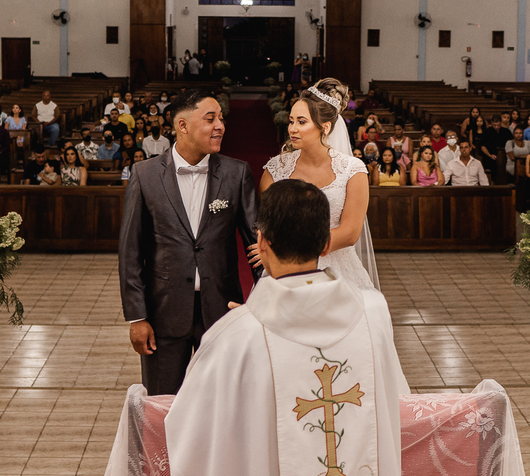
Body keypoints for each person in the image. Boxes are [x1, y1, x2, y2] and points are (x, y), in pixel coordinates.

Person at [156, 180, 409, 476]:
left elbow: (192, 434)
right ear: (326, 244)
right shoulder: (374, 313)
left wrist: (243, 322)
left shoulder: (232, 337)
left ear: (261, 242)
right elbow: (397, 406)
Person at [118, 88, 260, 396]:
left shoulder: (236, 174)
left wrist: (266, 303)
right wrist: (137, 317)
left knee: (224, 403)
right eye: (210, 119)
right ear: (183, 126)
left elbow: (258, 247)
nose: (220, 126)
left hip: (223, 310)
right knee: (162, 404)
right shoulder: (145, 175)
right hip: (164, 312)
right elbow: (131, 251)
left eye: (221, 119)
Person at [263, 79, 376, 291]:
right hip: (285, 270)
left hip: (338, 270)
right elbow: (268, 223)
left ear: (325, 127)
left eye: (302, 122)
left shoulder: (353, 170)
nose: (292, 129)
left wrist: (297, 250)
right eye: (291, 121)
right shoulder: (275, 169)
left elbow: (350, 233)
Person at [479, 115, 512, 180]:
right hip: (489, 157)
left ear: (501, 123)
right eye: (495, 125)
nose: (496, 127)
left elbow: (511, 144)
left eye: (498, 125)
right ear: (491, 123)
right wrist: (490, 155)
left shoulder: (507, 132)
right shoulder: (487, 132)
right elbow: (482, 146)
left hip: (504, 157)